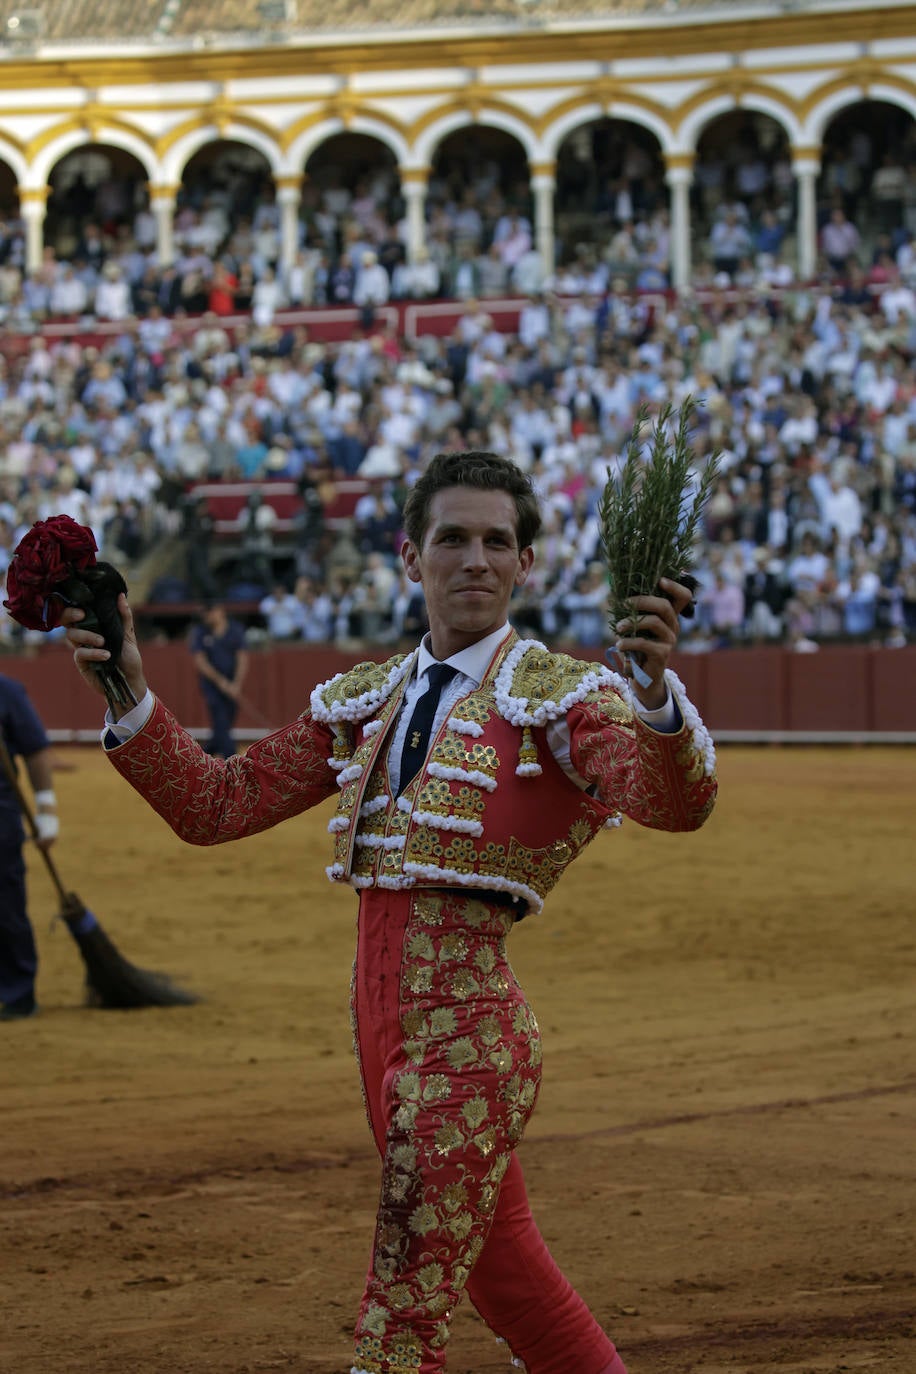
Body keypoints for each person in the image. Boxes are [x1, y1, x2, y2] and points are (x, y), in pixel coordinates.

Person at [64, 450, 717, 1374]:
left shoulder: (564, 700)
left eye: (499, 541)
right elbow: (217, 805)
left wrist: (653, 695)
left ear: (527, 564)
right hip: (383, 1047)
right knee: (513, 1285)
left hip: (469, 1048)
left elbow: (671, 800)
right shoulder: (367, 699)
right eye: (454, 538)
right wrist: (128, 689)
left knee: (399, 1322)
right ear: (412, 557)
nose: (477, 560)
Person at [0, 674, 59, 1021]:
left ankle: (18, 992)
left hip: (0, 817)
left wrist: (46, 811)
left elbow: (35, 751)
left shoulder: (5, 692)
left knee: (5, 905)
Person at [189, 603, 249, 758]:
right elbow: (201, 662)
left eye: (210, 612)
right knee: (221, 720)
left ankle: (202, 757)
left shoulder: (235, 630)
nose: (207, 616)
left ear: (221, 610)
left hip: (232, 684)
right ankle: (232, 760)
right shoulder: (201, 632)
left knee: (223, 725)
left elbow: (242, 658)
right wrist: (221, 682)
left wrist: (236, 684)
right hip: (212, 687)